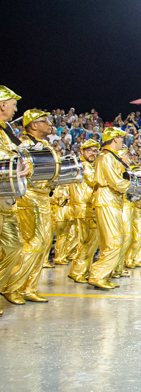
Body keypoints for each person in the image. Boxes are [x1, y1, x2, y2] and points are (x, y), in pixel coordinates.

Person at [3, 110, 55, 304]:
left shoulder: (44, 145)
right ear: (33, 125)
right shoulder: (23, 145)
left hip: (43, 197)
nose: (49, 124)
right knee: (33, 242)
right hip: (29, 196)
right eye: (44, 121)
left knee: (42, 245)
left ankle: (28, 287)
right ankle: (13, 286)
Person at [87, 127, 130, 290]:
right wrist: (131, 185)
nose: (122, 142)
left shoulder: (109, 157)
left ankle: (103, 275)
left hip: (111, 200)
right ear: (115, 139)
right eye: (121, 138)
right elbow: (115, 182)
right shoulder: (105, 157)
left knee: (112, 240)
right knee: (114, 240)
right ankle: (97, 275)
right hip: (107, 199)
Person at [0, 87, 29, 314]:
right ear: (2, 104)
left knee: (14, 245)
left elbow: (17, 155)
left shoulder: (6, 130)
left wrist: (23, 164)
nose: (15, 108)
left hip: (6, 200)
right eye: (13, 103)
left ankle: (5, 286)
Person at [68, 139, 100, 283]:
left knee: (86, 241)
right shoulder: (85, 166)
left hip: (84, 206)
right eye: (89, 151)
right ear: (82, 151)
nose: (93, 153)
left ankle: (82, 270)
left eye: (95, 151)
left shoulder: (84, 164)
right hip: (84, 207)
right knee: (87, 241)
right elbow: (95, 182)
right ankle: (78, 271)